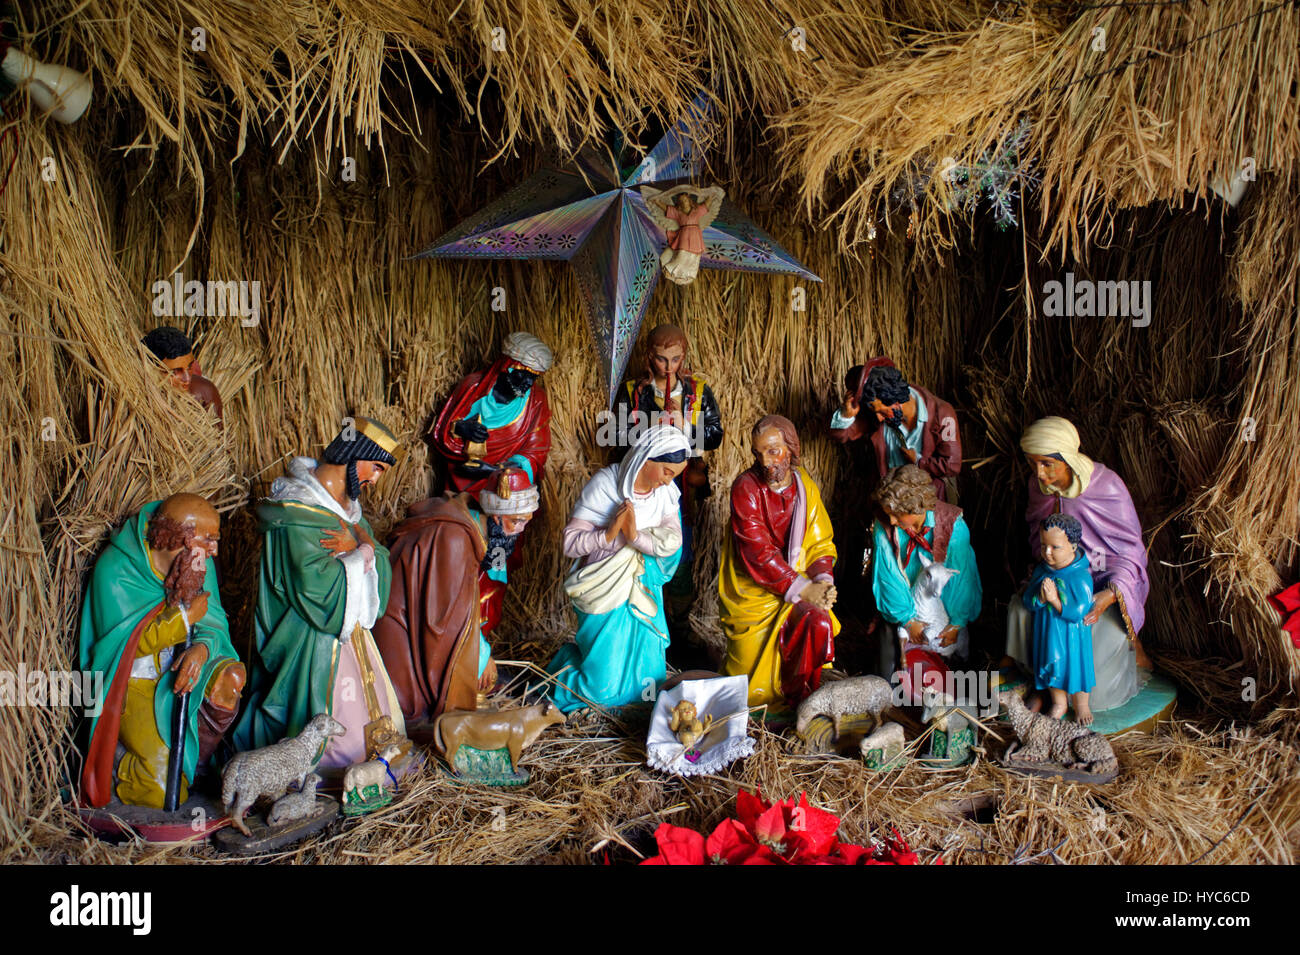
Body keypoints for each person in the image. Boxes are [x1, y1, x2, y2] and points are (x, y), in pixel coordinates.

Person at [233, 417, 406, 771]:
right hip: (310, 636)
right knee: (330, 729)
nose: (375, 480)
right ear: (354, 456)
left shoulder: (349, 513)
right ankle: (319, 767)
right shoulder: (296, 513)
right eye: (375, 467)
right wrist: (361, 555)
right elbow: (314, 587)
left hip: (349, 636)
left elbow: (379, 557)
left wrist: (363, 547)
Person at [79, 493, 244, 808]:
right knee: (159, 791)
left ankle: (192, 768)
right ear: (176, 540)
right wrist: (183, 620)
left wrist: (203, 649)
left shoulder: (197, 563)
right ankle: (120, 769)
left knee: (232, 678)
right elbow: (124, 645)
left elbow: (214, 622)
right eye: (207, 541)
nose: (214, 552)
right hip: (132, 683)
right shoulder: (116, 569)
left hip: (181, 667)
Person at [373, 467, 539, 724]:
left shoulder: (468, 525)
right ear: (495, 516)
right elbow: (443, 624)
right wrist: (482, 657)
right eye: (516, 521)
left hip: (414, 623)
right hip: (403, 635)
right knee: (466, 685)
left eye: (526, 522)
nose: (520, 530)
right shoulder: (455, 539)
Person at [1005, 416, 1147, 712]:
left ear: (1067, 459)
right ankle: (1039, 683)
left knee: (1090, 629)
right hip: (1053, 575)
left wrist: (1109, 594)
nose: (1039, 474)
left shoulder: (1107, 487)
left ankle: (1078, 698)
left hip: (1100, 578)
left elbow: (1128, 551)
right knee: (1021, 609)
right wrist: (1044, 571)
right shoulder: (1037, 487)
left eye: (1047, 464)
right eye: (1033, 464)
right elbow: (1036, 536)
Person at [546, 426, 690, 712]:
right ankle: (564, 669)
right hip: (604, 590)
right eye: (667, 472)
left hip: (644, 589)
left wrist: (636, 537)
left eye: (675, 474)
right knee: (600, 689)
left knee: (647, 685)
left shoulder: (666, 494)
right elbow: (570, 544)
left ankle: (635, 706)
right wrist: (610, 534)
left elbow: (673, 541)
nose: (670, 481)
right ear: (647, 459)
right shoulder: (606, 484)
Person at [610, 323, 723, 651]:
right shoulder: (634, 391)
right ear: (649, 357)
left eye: (676, 358)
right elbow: (615, 435)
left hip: (681, 488)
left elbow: (715, 434)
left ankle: (679, 626)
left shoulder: (698, 391)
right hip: (641, 486)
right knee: (637, 550)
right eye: (661, 359)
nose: (669, 366)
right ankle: (640, 624)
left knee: (679, 550)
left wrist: (686, 428)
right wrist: (651, 426)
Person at [719, 415, 839, 708]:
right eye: (759, 453)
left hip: (797, 583)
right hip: (754, 591)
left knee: (818, 623)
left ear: (791, 449)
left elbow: (820, 544)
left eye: (773, 451)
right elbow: (757, 553)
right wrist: (803, 588)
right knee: (747, 680)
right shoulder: (745, 488)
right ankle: (762, 704)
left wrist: (822, 582)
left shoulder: (805, 487)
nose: (766, 461)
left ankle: (800, 697)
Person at [869, 465, 982, 698]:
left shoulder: (953, 526)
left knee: (958, 663)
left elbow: (962, 578)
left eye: (896, 512)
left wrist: (956, 623)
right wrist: (908, 620)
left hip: (945, 611)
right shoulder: (885, 526)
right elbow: (887, 577)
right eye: (888, 512)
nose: (891, 519)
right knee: (888, 667)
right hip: (902, 609)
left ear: (916, 507)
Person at [430, 331, 553, 497]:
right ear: (506, 367)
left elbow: (536, 452)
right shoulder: (472, 387)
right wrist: (460, 428)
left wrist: (496, 471)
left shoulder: (536, 400)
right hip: (465, 478)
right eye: (522, 375)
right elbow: (442, 431)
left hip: (508, 483)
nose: (528, 383)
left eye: (533, 377)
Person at [828, 357, 960, 500]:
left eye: (882, 412)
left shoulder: (942, 414)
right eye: (875, 412)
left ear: (897, 402)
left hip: (930, 499)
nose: (878, 418)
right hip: (891, 500)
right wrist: (846, 415)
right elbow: (841, 434)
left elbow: (951, 465)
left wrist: (919, 461)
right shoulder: (876, 411)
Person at [1024, 514, 1096, 724]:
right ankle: (1059, 702)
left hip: (1072, 637)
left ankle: (1081, 705)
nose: (1047, 552)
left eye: (1055, 547)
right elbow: (1028, 600)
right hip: (1048, 633)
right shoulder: (1041, 571)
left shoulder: (1080, 577)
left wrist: (1055, 600)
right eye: (1044, 545)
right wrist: (1039, 596)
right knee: (1052, 667)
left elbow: (1079, 611)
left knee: (1075, 667)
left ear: (1072, 546)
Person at [642, 185, 726, 285]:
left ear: (690, 201)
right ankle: (671, 270)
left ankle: (688, 275)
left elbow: (706, 205)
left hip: (695, 236)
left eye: (685, 201)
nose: (684, 203)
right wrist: (656, 202)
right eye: (681, 202)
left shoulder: (697, 211)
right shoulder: (678, 213)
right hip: (684, 236)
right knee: (681, 254)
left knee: (693, 257)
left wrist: (711, 196)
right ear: (679, 204)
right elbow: (667, 209)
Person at [142, 326, 224, 424]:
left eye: (189, 367)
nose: (187, 379)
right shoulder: (142, 401)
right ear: (151, 369)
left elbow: (220, 436)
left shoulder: (202, 393)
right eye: (174, 371)